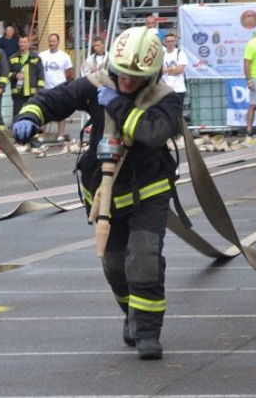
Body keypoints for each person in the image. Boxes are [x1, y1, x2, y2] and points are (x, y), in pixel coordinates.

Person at [13, 26, 181, 360]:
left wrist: (119, 105)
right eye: (122, 76)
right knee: (116, 267)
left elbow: (151, 132)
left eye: (136, 78)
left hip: (148, 190)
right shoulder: (97, 85)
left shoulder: (166, 98)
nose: (127, 83)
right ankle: (131, 313)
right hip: (103, 193)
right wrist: (29, 117)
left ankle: (148, 331)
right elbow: (52, 100)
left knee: (144, 259)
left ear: (152, 75)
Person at [39, 33, 74, 142]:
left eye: (54, 41)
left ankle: (61, 135)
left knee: (61, 112)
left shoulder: (64, 56)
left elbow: (70, 74)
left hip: (59, 89)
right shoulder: (42, 55)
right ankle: (42, 135)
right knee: (44, 112)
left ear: (58, 42)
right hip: (46, 88)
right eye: (50, 41)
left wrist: (65, 86)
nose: (51, 43)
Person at [9, 35, 45, 122]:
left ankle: (33, 134)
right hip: (18, 94)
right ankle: (18, 134)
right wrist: (15, 75)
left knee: (32, 115)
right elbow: (6, 74)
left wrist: (39, 91)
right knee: (18, 115)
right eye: (21, 42)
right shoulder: (12, 58)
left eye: (24, 42)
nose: (22, 44)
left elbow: (40, 76)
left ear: (28, 44)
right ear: (18, 43)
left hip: (32, 94)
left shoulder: (36, 58)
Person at [160, 32, 188, 107]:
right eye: (168, 41)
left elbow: (179, 70)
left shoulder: (180, 53)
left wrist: (166, 70)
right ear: (164, 43)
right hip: (165, 91)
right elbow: (159, 71)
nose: (170, 43)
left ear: (175, 42)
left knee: (177, 112)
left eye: (172, 41)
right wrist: (173, 69)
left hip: (178, 90)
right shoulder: (162, 55)